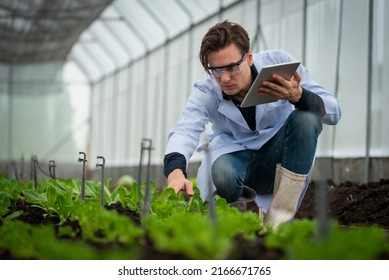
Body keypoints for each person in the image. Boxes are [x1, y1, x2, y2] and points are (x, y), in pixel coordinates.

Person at [163, 20, 341, 228]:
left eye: (231, 67)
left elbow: (334, 112)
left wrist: (299, 96)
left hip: (279, 156)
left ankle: (279, 223)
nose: (225, 78)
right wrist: (176, 172)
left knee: (306, 118)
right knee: (222, 173)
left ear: (248, 57)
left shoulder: (279, 65)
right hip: (237, 160)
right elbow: (185, 130)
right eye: (216, 70)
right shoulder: (207, 90)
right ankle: (241, 214)